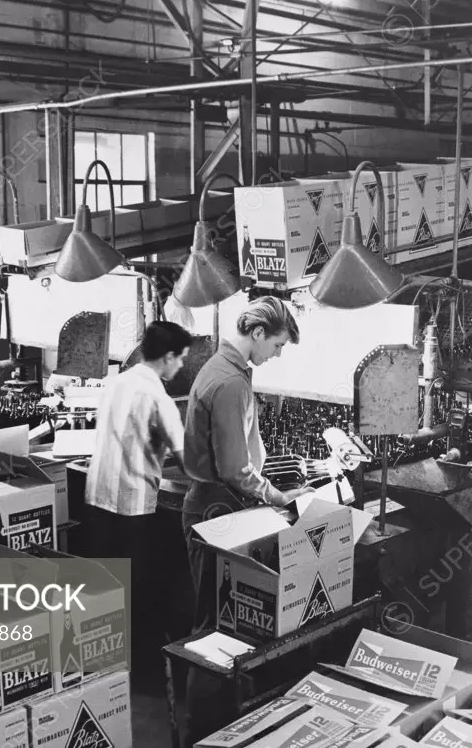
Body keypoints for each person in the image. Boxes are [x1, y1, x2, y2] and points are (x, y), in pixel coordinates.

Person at [181, 296, 313, 739]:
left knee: (218, 622)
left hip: (215, 503)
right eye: (276, 345)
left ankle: (218, 724)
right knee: (214, 628)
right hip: (218, 509)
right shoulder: (230, 383)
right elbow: (236, 470)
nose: (275, 355)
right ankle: (204, 729)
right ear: (257, 334)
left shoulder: (223, 369)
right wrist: (279, 496)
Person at [84, 320, 191, 691]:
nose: (180, 368)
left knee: (109, 590)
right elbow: (187, 457)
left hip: (97, 501)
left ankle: (106, 672)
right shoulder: (157, 396)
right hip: (132, 509)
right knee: (142, 594)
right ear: (168, 356)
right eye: (181, 360)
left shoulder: (116, 381)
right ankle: (143, 680)